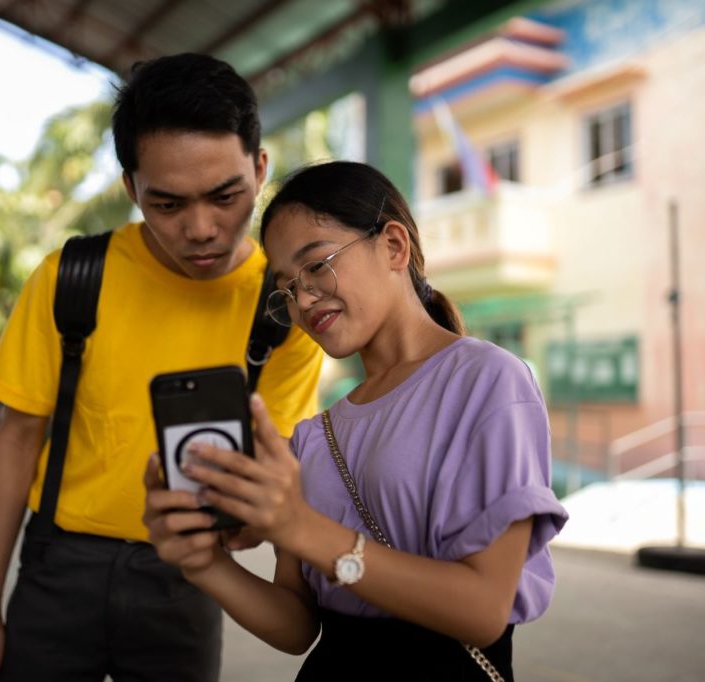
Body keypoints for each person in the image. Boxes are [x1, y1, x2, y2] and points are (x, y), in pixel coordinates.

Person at [0, 53, 324, 682]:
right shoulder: (70, 278)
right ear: (132, 188)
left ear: (261, 168)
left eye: (226, 195)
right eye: (166, 204)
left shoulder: (283, 306)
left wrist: (245, 525)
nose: (201, 229)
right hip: (57, 568)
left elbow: (281, 464)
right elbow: (17, 440)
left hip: (187, 576)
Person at [144, 160, 568, 681]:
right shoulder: (313, 436)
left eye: (317, 265)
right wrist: (205, 563)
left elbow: (482, 611)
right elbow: (298, 625)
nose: (302, 299)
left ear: (394, 245)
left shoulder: (488, 381)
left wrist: (302, 529)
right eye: (286, 288)